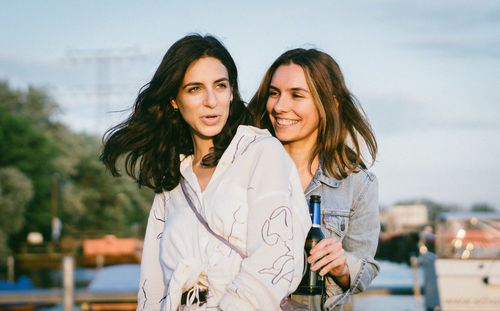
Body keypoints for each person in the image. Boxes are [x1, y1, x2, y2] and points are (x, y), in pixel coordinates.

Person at [100, 34, 311, 311]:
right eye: (194, 89)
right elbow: (153, 282)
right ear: (174, 100)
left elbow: (274, 260)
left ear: (231, 92)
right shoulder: (173, 180)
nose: (211, 101)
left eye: (220, 86)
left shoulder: (261, 152)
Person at [249, 48, 380, 311]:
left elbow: (366, 270)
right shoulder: (247, 166)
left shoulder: (358, 184)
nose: (279, 106)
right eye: (274, 93)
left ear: (330, 103)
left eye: (296, 95)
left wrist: (342, 267)